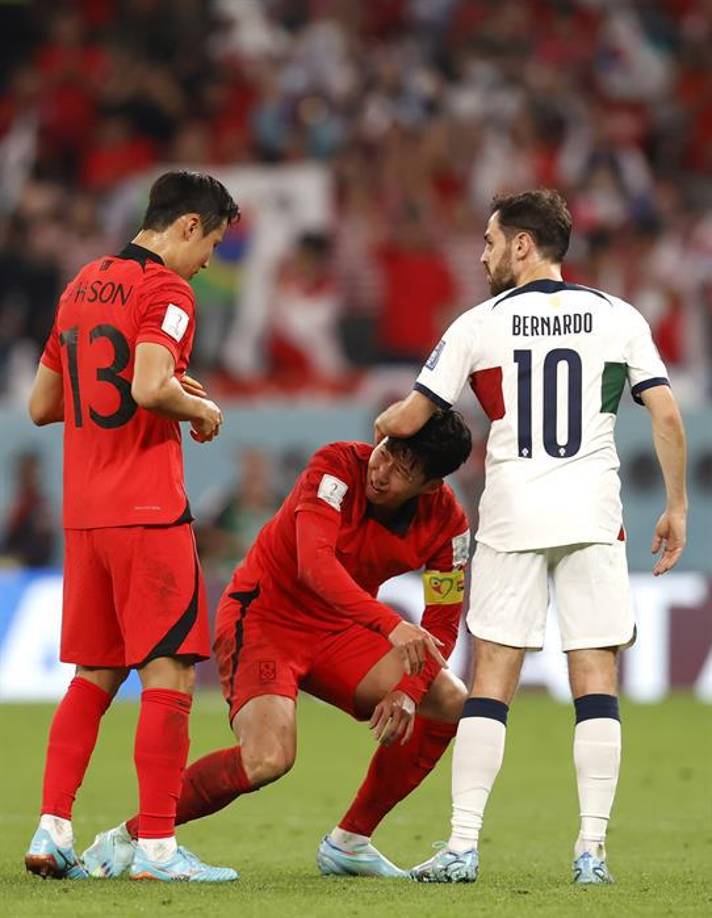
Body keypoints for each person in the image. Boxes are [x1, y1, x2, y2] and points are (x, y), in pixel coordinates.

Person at [374, 189, 688, 885]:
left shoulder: (479, 324)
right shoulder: (618, 316)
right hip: (591, 514)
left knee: (492, 677)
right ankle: (592, 852)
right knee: (595, 678)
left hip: (514, 515)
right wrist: (677, 507)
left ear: (522, 245)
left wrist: (382, 427)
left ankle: (461, 846)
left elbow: (412, 416)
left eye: (490, 242)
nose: (483, 255)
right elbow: (666, 414)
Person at [80, 410, 473, 879]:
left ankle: (350, 842)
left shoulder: (448, 526)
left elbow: (442, 625)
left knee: (448, 699)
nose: (382, 472)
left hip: (340, 632)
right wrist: (390, 625)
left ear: (430, 487)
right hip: (265, 618)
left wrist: (408, 691)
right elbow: (315, 566)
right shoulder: (336, 468)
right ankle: (133, 837)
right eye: (387, 451)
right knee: (267, 758)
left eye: (403, 470)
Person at [24, 170, 241, 883]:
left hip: (85, 516)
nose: (207, 262)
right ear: (188, 226)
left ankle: (52, 829)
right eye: (212, 244)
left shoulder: (82, 284)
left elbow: (41, 405)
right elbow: (149, 386)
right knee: (170, 673)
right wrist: (198, 407)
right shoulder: (167, 291)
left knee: (93, 675)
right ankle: (157, 849)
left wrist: (151, 391)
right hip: (147, 512)